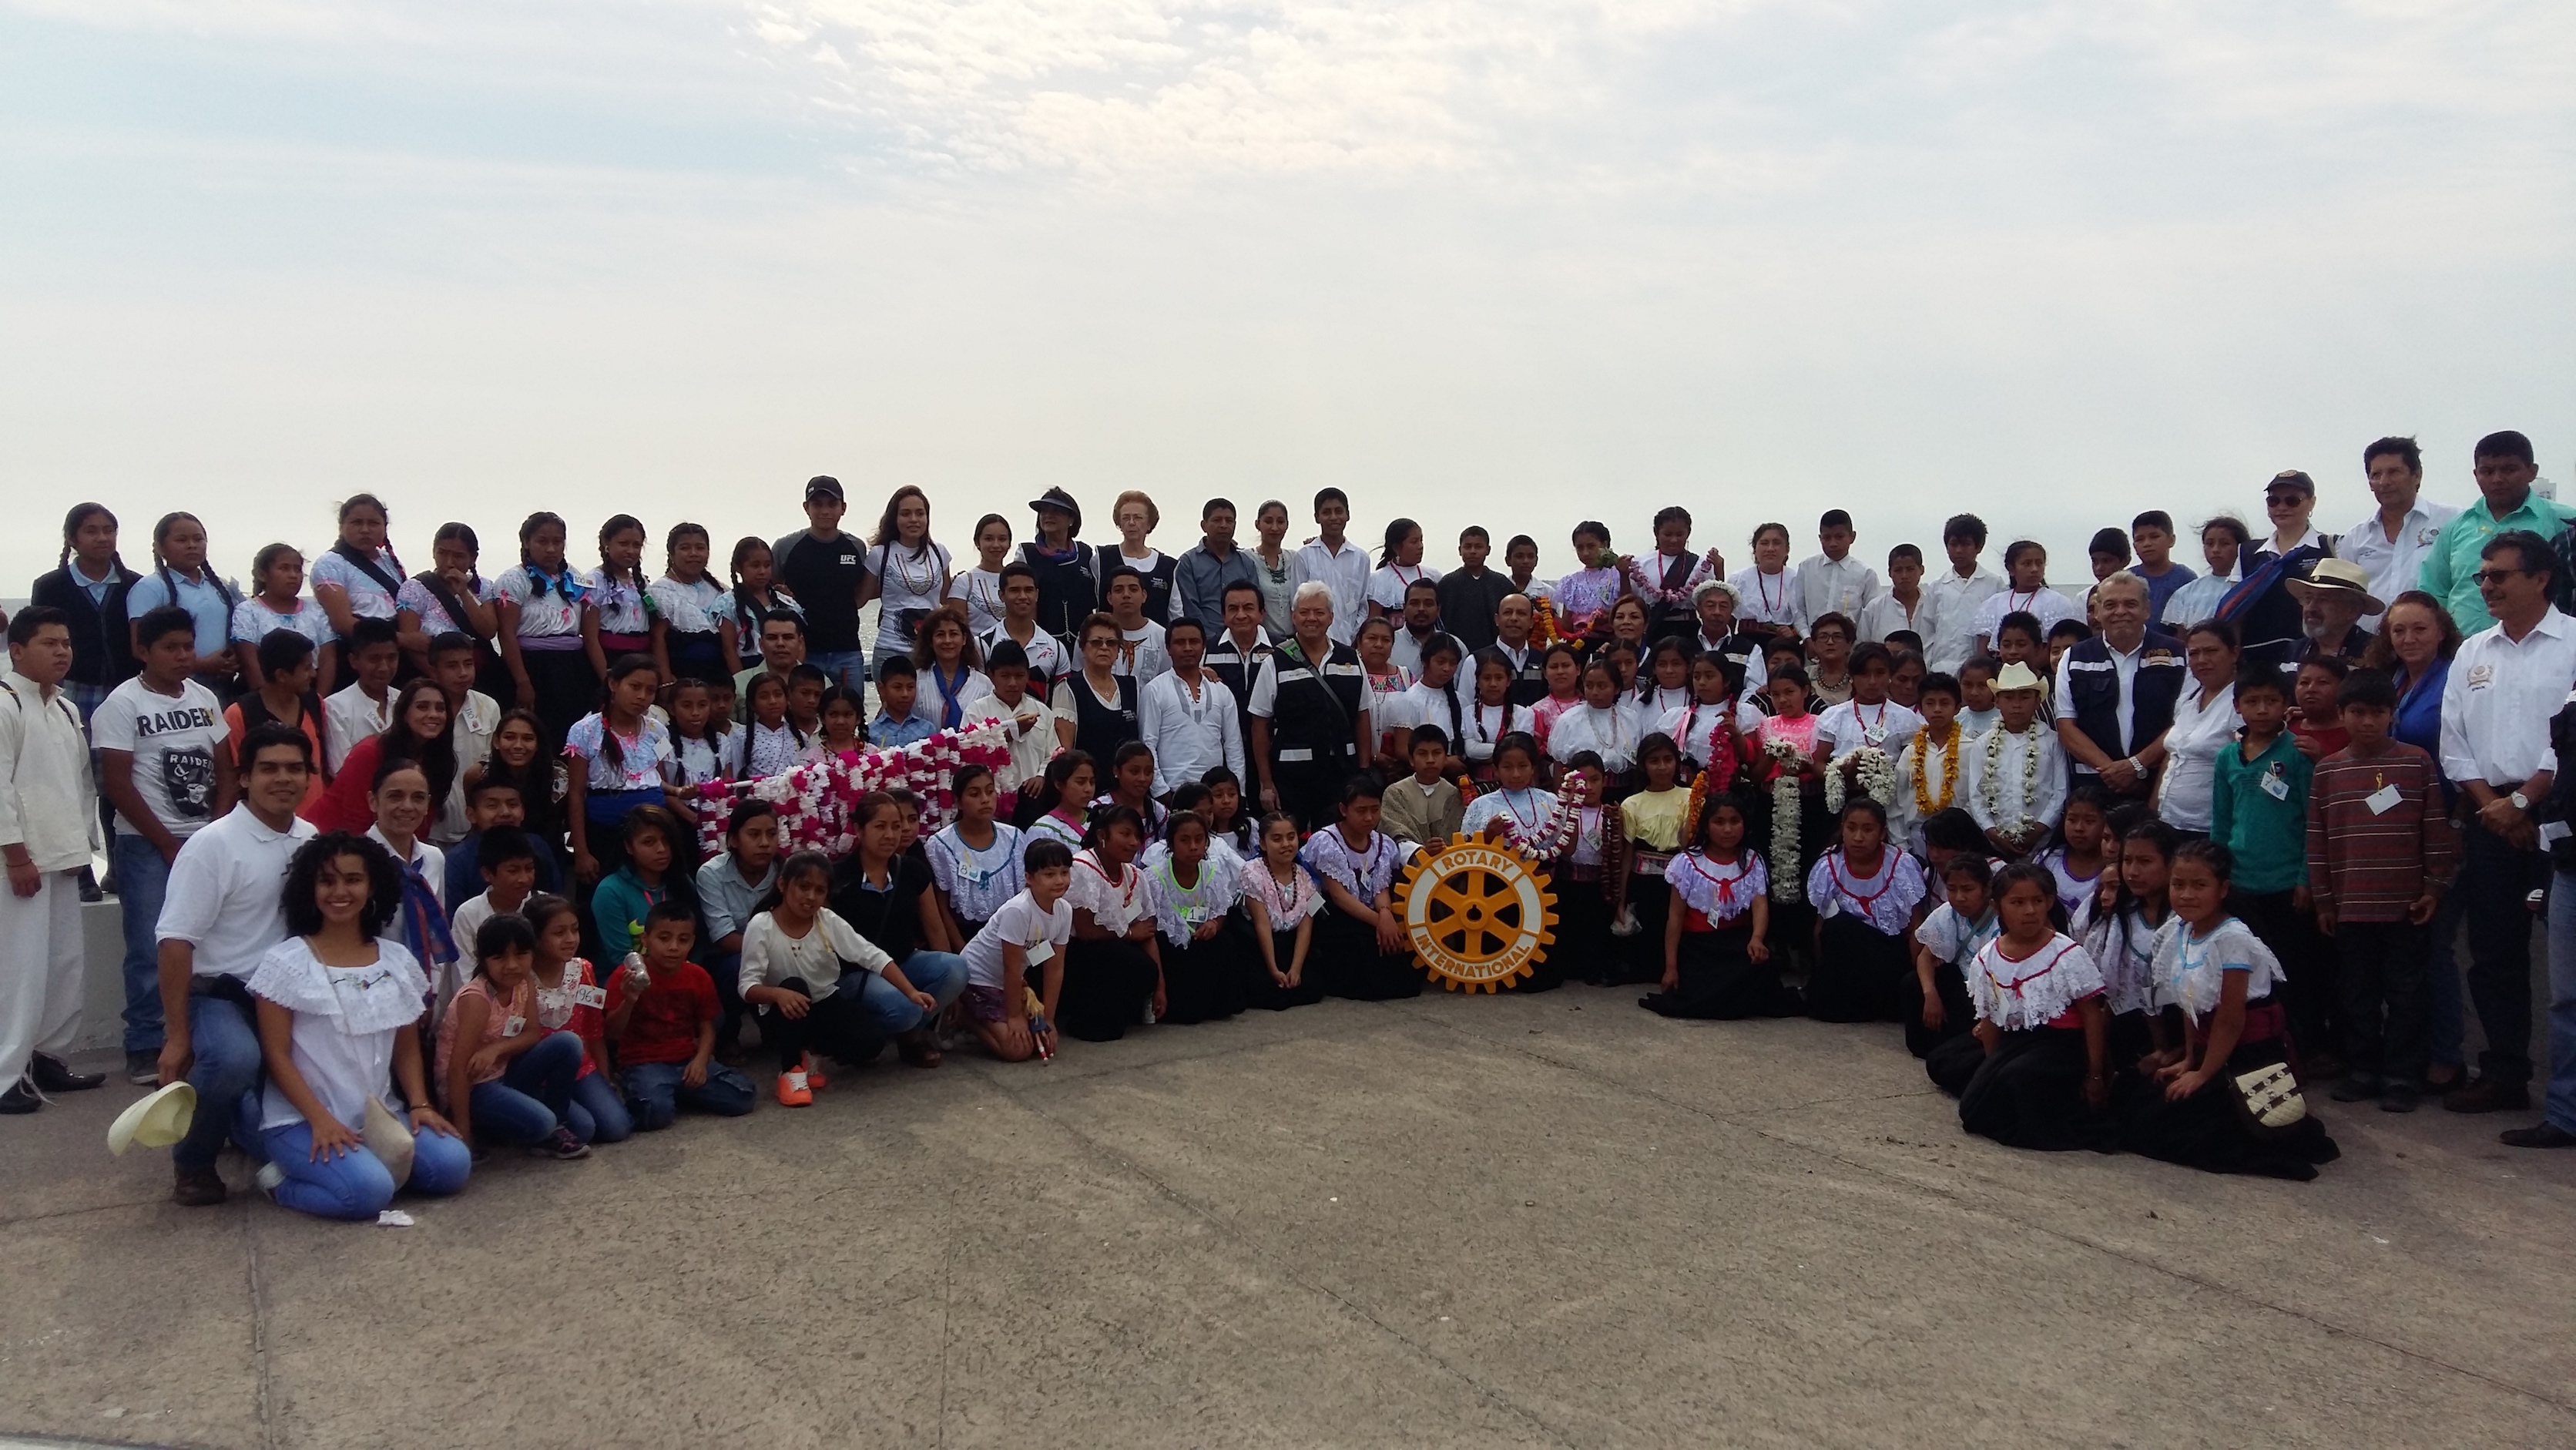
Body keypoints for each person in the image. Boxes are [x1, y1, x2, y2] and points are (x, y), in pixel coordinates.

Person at [247, 832, 471, 1219]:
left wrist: (419, 1104)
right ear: (309, 887)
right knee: (368, 1194)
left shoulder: (396, 960)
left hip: (380, 1115)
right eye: (327, 880)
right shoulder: (284, 963)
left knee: (453, 1167)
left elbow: (405, 1046)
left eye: (353, 880)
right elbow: (277, 1056)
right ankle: (280, 1182)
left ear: (372, 887)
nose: (340, 891)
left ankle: (361, 1167)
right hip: (301, 1120)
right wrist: (321, 1121)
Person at [153, 722, 320, 1205]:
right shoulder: (213, 845)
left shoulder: (311, 840)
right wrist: (178, 1034)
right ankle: (194, 1164)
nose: (283, 778)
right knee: (233, 1060)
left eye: (294, 768)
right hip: (219, 995)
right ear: (244, 777)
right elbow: (175, 942)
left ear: (310, 776)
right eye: (268, 768)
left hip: (288, 996)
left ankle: (232, 1123)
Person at [2436, 529, 2572, 1113]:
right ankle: (2506, 1073)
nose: (2486, 585)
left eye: (2499, 576)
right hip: (2490, 817)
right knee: (2493, 952)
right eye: (2481, 577)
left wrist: (2525, 802)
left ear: (2540, 578)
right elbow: (2454, 741)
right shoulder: (2473, 652)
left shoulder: (2573, 643)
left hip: (2562, 812)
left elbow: (2571, 740)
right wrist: (2495, 803)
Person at [2115, 841, 2341, 1180]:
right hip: (2210, 1049)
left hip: (2248, 1056)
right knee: (2137, 1098)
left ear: (2223, 890)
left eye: (2199, 885)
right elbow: (2190, 1002)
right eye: (2179, 885)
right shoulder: (2181, 930)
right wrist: (2190, 1060)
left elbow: (2231, 1019)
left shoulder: (2233, 938)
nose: (2187, 895)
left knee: (2180, 1128)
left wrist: (2203, 1074)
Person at [94, 606, 236, 1082]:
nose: (182, 656)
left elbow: (226, 770)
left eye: (187, 647)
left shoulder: (204, 698)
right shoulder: (121, 705)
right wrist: (166, 842)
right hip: (146, 843)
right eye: (170, 648)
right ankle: (144, 1041)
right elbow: (117, 785)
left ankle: (194, 1036)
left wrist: (216, 832)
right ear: (142, 651)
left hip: (203, 838)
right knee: (148, 942)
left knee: (207, 939)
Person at [2307, 669, 2455, 1113]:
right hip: (2351, 906)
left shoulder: (2416, 762)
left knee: (2407, 994)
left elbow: (2435, 829)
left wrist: (2434, 886)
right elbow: (2317, 839)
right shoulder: (2328, 772)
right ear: (2342, 715)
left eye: (2377, 713)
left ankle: (2402, 1076)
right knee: (2357, 993)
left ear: (2392, 715)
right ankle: (2363, 1070)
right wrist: (2324, 899)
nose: (2367, 722)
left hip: (2406, 905)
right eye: (2357, 713)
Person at [742, 850, 951, 1105]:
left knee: (870, 1043)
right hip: (778, 1011)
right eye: (803, 887)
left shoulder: (827, 920)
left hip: (823, 1000)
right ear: (783, 885)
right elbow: (747, 986)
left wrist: (911, 992)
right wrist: (777, 994)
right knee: (794, 987)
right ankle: (791, 1070)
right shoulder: (762, 925)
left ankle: (811, 1053)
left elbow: (871, 955)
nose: (810, 897)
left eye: (819, 891)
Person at [0, 608, 105, 1113]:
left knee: (64, 967)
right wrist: (15, 855)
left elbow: (81, 785)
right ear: (17, 650)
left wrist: (82, 846)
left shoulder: (64, 709)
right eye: (48, 643)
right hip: (16, 861)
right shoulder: (4, 702)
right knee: (20, 970)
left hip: (62, 854)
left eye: (65, 642)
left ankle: (48, 1059)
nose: (62, 651)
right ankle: (4, 1074)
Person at [1930, 863, 2111, 1152]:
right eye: (2018, 902)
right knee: (1973, 1109)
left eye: (2037, 901)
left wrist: (2095, 1073)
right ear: (1997, 906)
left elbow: (2092, 1014)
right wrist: (1991, 1067)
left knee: (2020, 1078)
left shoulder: (2066, 954)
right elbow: (1990, 1019)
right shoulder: (1988, 957)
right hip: (2016, 1041)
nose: (2029, 911)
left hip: (2063, 1046)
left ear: (2049, 903)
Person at [2209, 666, 2325, 1059]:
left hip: (2287, 883)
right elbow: (2221, 821)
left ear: (2285, 705)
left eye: (2271, 701)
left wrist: (2305, 878)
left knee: (2296, 970)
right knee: (2250, 973)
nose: (2261, 709)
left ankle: (2302, 1050)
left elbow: (2314, 820)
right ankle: (2261, 1048)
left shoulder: (2299, 753)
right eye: (2252, 702)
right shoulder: (2227, 756)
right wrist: (2217, 877)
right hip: (2241, 883)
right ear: (2238, 706)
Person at [438, 909, 591, 1160]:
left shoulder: (524, 981)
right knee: (542, 1123)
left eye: (521, 955)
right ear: (483, 959)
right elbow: (457, 1070)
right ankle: (482, 1125)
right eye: (499, 957)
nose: (512, 965)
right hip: (474, 1085)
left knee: (568, 1043)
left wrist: (495, 1049)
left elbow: (532, 1033)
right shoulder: (477, 999)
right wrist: (464, 1134)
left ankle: (555, 1129)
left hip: (503, 1069)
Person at [1639, 790, 1790, 1019]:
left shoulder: (1752, 860)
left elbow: (1760, 905)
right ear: (1706, 826)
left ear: (1744, 824)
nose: (1728, 830)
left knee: (1761, 967)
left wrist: (1757, 939)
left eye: (1734, 822)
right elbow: (1675, 917)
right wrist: (1671, 967)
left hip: (1736, 941)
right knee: (1699, 995)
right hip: (1698, 946)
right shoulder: (1687, 863)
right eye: (1719, 822)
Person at [607, 900, 756, 1128]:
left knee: (743, 1096)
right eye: (664, 938)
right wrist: (629, 1000)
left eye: (683, 940)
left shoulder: (698, 976)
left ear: (693, 942)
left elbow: (707, 1027)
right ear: (645, 940)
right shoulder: (626, 976)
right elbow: (612, 1033)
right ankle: (666, 1094)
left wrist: (700, 1061)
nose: (674, 947)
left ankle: (675, 1092)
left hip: (685, 1059)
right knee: (655, 1114)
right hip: (643, 1063)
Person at [2420, 431, 2574, 633]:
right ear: (2476, 475)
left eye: (2509, 469)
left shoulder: (2563, 522)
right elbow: (2434, 592)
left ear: (2532, 472)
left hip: (2541, 648)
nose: (2497, 479)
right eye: (2487, 471)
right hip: (2463, 652)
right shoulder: (2456, 527)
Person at [2052, 571, 2186, 802]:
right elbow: (2066, 726)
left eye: (2130, 604)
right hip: (2094, 787)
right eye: (2111, 605)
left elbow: (2184, 722)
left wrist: (2136, 765)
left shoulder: (2178, 654)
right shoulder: (2074, 658)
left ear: (2147, 609)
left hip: (2157, 785)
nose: (2120, 612)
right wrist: (2113, 771)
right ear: (2097, 612)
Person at [1249, 582, 1371, 831]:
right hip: (1291, 779)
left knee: (1335, 846)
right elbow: (1259, 725)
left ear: (1331, 617)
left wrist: (1364, 772)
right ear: (1294, 617)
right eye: (1304, 612)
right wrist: (1267, 784)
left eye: (1319, 612)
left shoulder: (1351, 658)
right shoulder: (1276, 660)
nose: (1311, 619)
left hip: (1341, 777)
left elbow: (1362, 717)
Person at [520, 894, 631, 1144]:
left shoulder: (583, 970)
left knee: (617, 1127)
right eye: (559, 933)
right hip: (540, 1074)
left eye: (575, 930)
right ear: (536, 938)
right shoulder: (521, 978)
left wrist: (605, 1078)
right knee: (584, 1129)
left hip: (582, 1068)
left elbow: (594, 1030)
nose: (570, 939)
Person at [1803, 797, 1926, 1023]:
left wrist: (1918, 984)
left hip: (1888, 957)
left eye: (1868, 829)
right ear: (1842, 829)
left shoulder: (1902, 866)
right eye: (1851, 828)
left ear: (1882, 833)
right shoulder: (1829, 865)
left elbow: (1916, 928)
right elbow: (1820, 930)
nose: (1858, 837)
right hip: (1847, 964)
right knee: (1838, 927)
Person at [1300, 776, 1422, 999]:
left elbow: (1381, 888)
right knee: (1365, 940)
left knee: (1393, 941)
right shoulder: (1327, 841)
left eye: (1375, 810)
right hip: (1331, 913)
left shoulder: (1383, 843)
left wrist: (1385, 914)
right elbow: (1339, 896)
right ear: (1344, 810)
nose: (1369, 817)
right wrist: (1379, 922)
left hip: (1367, 911)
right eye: (1361, 811)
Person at [955, 836, 1072, 1062]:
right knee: (1016, 1050)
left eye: (1065, 872)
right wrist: (1015, 1016)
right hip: (979, 979)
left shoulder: (1065, 910)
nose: (1059, 880)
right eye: (1049, 874)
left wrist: (1048, 1018)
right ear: (1029, 878)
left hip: (1012, 982)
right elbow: (1011, 967)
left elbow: (1055, 968)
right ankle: (966, 1017)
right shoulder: (1018, 910)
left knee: (1043, 1043)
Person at [29, 503, 138, 739]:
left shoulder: (135, 585)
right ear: (72, 538)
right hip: (73, 690)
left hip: (129, 690)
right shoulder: (51, 586)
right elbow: (39, 640)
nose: (102, 538)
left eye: (109, 531)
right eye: (91, 531)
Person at [562, 656, 674, 884]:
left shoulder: (659, 731)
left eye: (650, 690)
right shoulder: (583, 731)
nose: (642, 696)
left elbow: (658, 779)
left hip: (654, 831)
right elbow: (575, 794)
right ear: (613, 684)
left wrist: (679, 792)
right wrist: (582, 851)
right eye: (635, 687)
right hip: (605, 832)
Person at [1056, 804, 1164, 1039]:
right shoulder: (1082, 868)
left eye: (1137, 836)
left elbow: (1147, 931)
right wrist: (1129, 934)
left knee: (1144, 965)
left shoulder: (1135, 875)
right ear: (1102, 836)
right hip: (1074, 953)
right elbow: (1086, 931)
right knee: (1114, 955)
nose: (1134, 842)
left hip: (1112, 948)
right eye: (1125, 834)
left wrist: (1160, 986)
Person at [305, 677, 454, 834]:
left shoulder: (438, 757)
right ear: (404, 713)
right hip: (328, 839)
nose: (433, 714)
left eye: (440, 709)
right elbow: (355, 821)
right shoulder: (369, 752)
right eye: (422, 707)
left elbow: (422, 821)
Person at [495, 512, 595, 745]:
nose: (551, 549)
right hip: (533, 665)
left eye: (557, 541)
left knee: (570, 734)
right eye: (542, 541)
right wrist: (522, 681)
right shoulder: (513, 579)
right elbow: (507, 634)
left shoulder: (574, 576)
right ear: (527, 543)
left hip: (572, 667)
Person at [122, 512, 241, 698]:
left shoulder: (221, 586)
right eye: (181, 540)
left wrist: (234, 658)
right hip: (172, 687)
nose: (192, 545)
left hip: (223, 684)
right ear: (160, 548)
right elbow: (140, 648)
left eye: (198, 539)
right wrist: (201, 664)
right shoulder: (151, 587)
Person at [773, 476, 873, 693]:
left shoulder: (856, 547)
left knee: (851, 716)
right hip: (805, 652)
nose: (825, 511)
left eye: (832, 504)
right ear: (806, 508)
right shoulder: (785, 547)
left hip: (848, 650)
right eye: (817, 504)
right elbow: (771, 591)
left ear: (843, 508)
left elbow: (860, 595)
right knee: (803, 717)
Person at [2148, 621, 2241, 837]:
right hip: (2168, 819)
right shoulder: (2188, 700)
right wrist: (2153, 810)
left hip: (2209, 828)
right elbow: (2172, 756)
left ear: (2234, 653)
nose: (2202, 660)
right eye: (2194, 653)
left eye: (2211, 651)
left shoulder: (2242, 703)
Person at [1963, 662, 2064, 858]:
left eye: (2025, 697)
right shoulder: (1983, 744)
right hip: (1995, 844)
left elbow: (2060, 792)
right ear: (1997, 702)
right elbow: (1975, 795)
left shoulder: (2052, 740)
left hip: (2043, 844)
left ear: (2038, 701)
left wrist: (2038, 830)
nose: (2016, 705)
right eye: (2009, 698)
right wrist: (1994, 833)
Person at [395, 522, 505, 694]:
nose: (449, 562)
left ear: (473, 558)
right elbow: (411, 643)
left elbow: (489, 631)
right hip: (433, 681)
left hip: (481, 679)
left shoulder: (484, 587)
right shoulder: (414, 589)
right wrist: (440, 680)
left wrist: (464, 592)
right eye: (442, 553)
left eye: (458, 556)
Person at [1140, 617, 1245, 794]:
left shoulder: (1222, 691)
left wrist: (1238, 792)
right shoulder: (1155, 690)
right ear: (1168, 648)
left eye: (1194, 642)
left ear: (1204, 646)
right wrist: (1161, 791)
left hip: (1215, 794)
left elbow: (1234, 746)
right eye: (1180, 642)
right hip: (1173, 791)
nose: (1188, 648)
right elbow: (1148, 743)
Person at [444, 826, 540, 1019]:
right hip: (483, 1011)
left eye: (529, 869)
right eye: (513, 871)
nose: (524, 878)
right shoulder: (468, 914)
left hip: (536, 1006)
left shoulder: (540, 907)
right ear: (488, 874)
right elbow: (465, 976)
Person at [223, 631, 326, 811]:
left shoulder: (315, 703)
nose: (313, 674)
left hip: (316, 821)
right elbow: (237, 777)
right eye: (307, 668)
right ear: (282, 675)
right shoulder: (239, 714)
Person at [1906, 854, 1994, 1057]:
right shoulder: (1948, 912)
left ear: (1987, 888)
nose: (1959, 897)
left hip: (1988, 996)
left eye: (1968, 889)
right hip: (1961, 986)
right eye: (1952, 889)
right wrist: (1931, 995)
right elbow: (1925, 957)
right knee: (1913, 983)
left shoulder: (2001, 919)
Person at [1239, 811, 1324, 1010]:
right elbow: (1262, 924)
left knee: (1312, 987)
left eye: (1291, 837)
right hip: (1260, 947)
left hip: (1291, 944)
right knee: (1268, 991)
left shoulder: (1305, 875)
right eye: (1277, 839)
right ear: (1263, 843)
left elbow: (1305, 925)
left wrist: (1296, 968)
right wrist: (1274, 969)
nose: (1286, 844)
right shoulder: (1252, 872)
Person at [230, 544, 337, 696]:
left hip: (309, 693)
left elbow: (328, 659)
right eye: (284, 568)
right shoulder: (248, 611)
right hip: (264, 697)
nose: (293, 575)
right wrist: (270, 705)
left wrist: (319, 702)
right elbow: (250, 663)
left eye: (297, 569)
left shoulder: (316, 610)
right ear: (262, 574)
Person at [859, 485, 951, 660]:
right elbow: (860, 599)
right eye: (906, 514)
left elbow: (945, 602)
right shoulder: (880, 554)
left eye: (920, 513)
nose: (913, 519)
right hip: (890, 649)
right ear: (895, 518)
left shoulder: (940, 553)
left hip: (930, 651)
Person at [1890, 672, 1965, 852]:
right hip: (1917, 837)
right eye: (1930, 703)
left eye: (1944, 703)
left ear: (1958, 708)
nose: (1937, 709)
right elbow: (1896, 802)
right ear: (1920, 708)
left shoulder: (1971, 748)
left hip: (1959, 838)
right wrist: (1901, 845)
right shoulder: (1911, 752)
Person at [1813, 641, 1922, 760]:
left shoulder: (1904, 717)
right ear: (1852, 677)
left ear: (1890, 674)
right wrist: (1841, 775)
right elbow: (1820, 763)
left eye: (1879, 673)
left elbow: (1912, 763)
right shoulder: (1833, 716)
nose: (1872, 682)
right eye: (1864, 674)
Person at [1922, 513, 2001, 676]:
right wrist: (1928, 665)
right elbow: (1927, 632)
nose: (1959, 550)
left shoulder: (1995, 584)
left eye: (1966, 544)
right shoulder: (1937, 587)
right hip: (1942, 668)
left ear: (1979, 547)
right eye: (1953, 544)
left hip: (1981, 671)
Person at [1972, 541, 2081, 658]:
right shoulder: (1995, 603)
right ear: (2011, 569)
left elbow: (2056, 644)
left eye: (2039, 564)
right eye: (2027, 564)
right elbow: (1983, 647)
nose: (2034, 569)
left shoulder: (2057, 602)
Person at [322, 616, 400, 775]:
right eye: (374, 659)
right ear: (353, 661)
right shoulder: (334, 707)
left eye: (391, 658)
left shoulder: (406, 700)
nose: (384, 667)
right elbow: (341, 770)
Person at [1293, 488, 1370, 645]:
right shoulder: (1304, 556)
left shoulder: (1361, 558)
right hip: (1312, 644)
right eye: (1327, 512)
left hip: (1350, 644)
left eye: (1339, 511)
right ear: (1317, 517)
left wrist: (1354, 637)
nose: (1333, 517)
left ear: (1347, 514)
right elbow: (1296, 604)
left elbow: (1363, 605)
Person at [1173, 497, 1260, 637]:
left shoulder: (1247, 563)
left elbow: (1255, 603)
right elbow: (1190, 608)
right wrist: (1211, 639)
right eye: (1217, 520)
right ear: (1204, 525)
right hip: (1203, 641)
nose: (1224, 525)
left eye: (1229, 521)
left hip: (1242, 639)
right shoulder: (1188, 562)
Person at [2283, 559, 2380, 679]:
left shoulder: (2375, 650)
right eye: (2308, 599)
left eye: (2323, 600)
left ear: (2352, 611)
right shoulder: (2295, 649)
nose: (2311, 608)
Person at [1793, 509, 1880, 632]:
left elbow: (1872, 616)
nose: (1833, 543)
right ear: (1820, 538)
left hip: (1851, 647)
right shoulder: (1807, 568)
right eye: (1827, 538)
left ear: (1852, 537)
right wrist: (1807, 639)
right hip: (1812, 644)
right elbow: (1799, 610)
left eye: (1839, 537)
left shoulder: (1865, 574)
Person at [2159, 515, 2249, 631]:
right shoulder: (2187, 593)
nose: (2216, 550)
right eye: (2210, 544)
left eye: (2225, 544)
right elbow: (2181, 640)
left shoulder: (2251, 585)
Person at [1382, 724, 1464, 845]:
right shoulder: (1395, 793)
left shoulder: (1455, 795)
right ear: (1411, 759)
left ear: (1446, 758)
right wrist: (1421, 852)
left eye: (1437, 753)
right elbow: (1394, 835)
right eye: (1422, 754)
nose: (1430, 760)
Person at [1437, 525, 1512, 653]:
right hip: (1455, 653)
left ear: (1488, 550)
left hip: (1496, 652)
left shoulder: (1501, 583)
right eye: (1468, 547)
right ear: (1460, 550)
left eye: (1478, 547)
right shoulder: (1447, 583)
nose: (1473, 551)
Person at [1552, 521, 1626, 641]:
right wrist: (1549, 615)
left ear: (1604, 545)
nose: (1585, 553)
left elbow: (1627, 607)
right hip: (1580, 644)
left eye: (1591, 546)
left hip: (1613, 642)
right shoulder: (1571, 582)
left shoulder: (1618, 575)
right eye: (1580, 548)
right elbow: (1567, 626)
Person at [947, 512, 1015, 638]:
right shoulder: (964, 582)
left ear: (1009, 543)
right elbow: (957, 629)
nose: (996, 545)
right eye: (989, 539)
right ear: (978, 542)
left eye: (1002, 539)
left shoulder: (1017, 580)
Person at [2128, 510, 2199, 622]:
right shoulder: (2127, 579)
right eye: (2140, 539)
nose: (2147, 544)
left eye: (2154, 537)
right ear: (2134, 546)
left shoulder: (2186, 579)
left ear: (2171, 540)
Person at [868, 656, 932, 748]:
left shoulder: (927, 729)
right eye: (897, 687)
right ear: (881, 689)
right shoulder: (871, 733)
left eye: (910, 687)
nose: (905, 694)